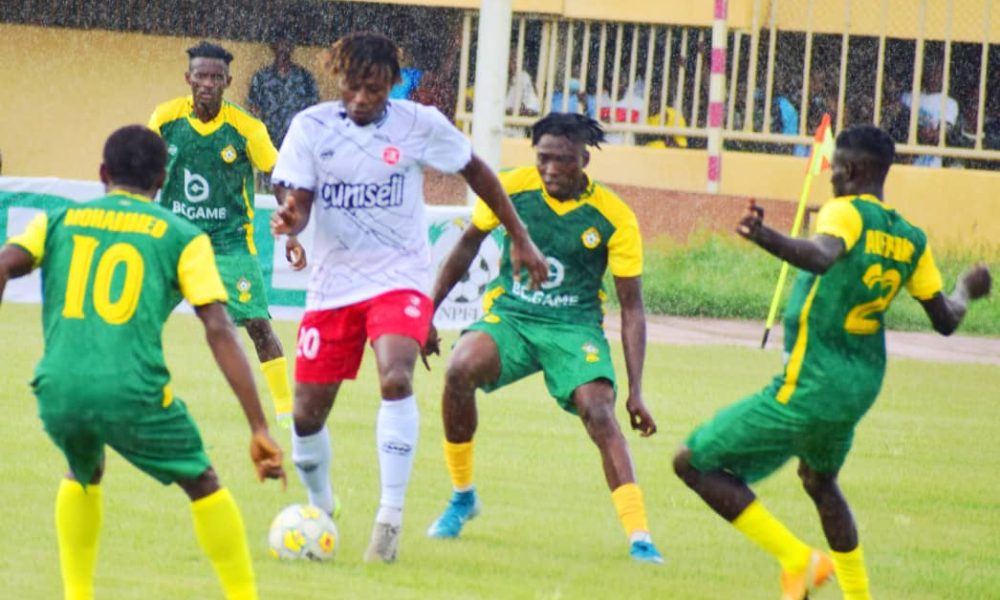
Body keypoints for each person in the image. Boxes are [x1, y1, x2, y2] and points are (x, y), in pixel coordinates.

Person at [672, 125, 991, 600]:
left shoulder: (845, 211)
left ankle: (798, 561)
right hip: (858, 387)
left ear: (854, 169)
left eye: (835, 168)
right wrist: (965, 288)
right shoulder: (911, 237)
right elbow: (945, 319)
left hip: (812, 384)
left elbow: (821, 257)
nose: (831, 177)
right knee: (819, 481)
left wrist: (765, 236)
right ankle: (859, 595)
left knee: (692, 461)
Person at [268, 32, 548, 564]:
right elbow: (298, 202)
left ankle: (389, 520)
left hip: (399, 276)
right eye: (352, 87)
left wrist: (519, 235)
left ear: (393, 84)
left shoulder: (420, 124)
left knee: (396, 376)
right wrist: (290, 217)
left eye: (373, 89)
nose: (360, 99)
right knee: (306, 416)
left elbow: (477, 171)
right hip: (333, 284)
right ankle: (320, 506)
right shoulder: (311, 126)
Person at [0, 125, 287, 600]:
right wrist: (258, 425)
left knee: (84, 469)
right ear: (162, 179)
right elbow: (219, 328)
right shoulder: (182, 236)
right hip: (132, 390)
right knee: (203, 481)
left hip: (58, 388)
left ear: (102, 173)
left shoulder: (59, 220)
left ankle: (77, 594)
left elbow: (5, 264)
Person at [422, 112, 665, 565]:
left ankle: (640, 537)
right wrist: (426, 312)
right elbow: (467, 245)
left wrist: (636, 390)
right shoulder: (513, 188)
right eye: (543, 159)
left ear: (584, 160)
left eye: (563, 160)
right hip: (513, 316)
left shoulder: (614, 217)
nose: (551, 169)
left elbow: (632, 308)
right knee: (458, 370)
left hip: (574, 327)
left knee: (599, 411)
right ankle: (462, 497)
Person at [149, 41, 301, 429]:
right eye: (200, 76)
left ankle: (286, 414)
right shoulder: (165, 119)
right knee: (141, 317)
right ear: (188, 78)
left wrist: (289, 224)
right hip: (176, 242)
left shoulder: (247, 128)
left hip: (230, 243)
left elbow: (279, 177)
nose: (207, 84)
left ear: (228, 82)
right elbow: (146, 173)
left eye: (216, 77)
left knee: (259, 325)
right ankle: (139, 393)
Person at [247, 34, 320, 150]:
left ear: (292, 47)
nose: (283, 48)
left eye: (287, 44)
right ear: (273, 46)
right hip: (269, 143)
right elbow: (254, 110)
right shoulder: (261, 77)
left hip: (297, 143)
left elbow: (313, 110)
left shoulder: (305, 77)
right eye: (279, 43)